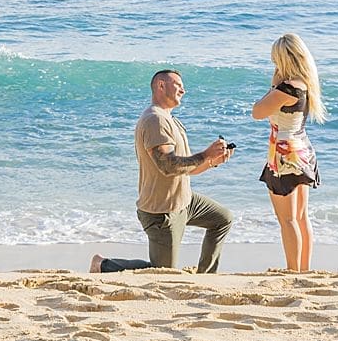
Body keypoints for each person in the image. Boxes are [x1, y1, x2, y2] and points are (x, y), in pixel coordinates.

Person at [91, 69, 235, 274]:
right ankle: (103, 265)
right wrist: (205, 154)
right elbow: (167, 166)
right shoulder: (154, 120)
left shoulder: (170, 119)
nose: (184, 90)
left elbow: (185, 169)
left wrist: (212, 160)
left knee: (223, 219)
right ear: (160, 85)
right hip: (162, 211)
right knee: (162, 272)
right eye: (178, 85)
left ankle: (206, 276)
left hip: (185, 201)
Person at [252, 33, 325, 271]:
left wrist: (274, 83)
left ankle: (293, 270)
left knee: (287, 219)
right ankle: (304, 269)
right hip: (301, 149)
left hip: (284, 156)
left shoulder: (286, 88)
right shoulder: (304, 84)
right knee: (301, 217)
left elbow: (258, 111)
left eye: (275, 59)